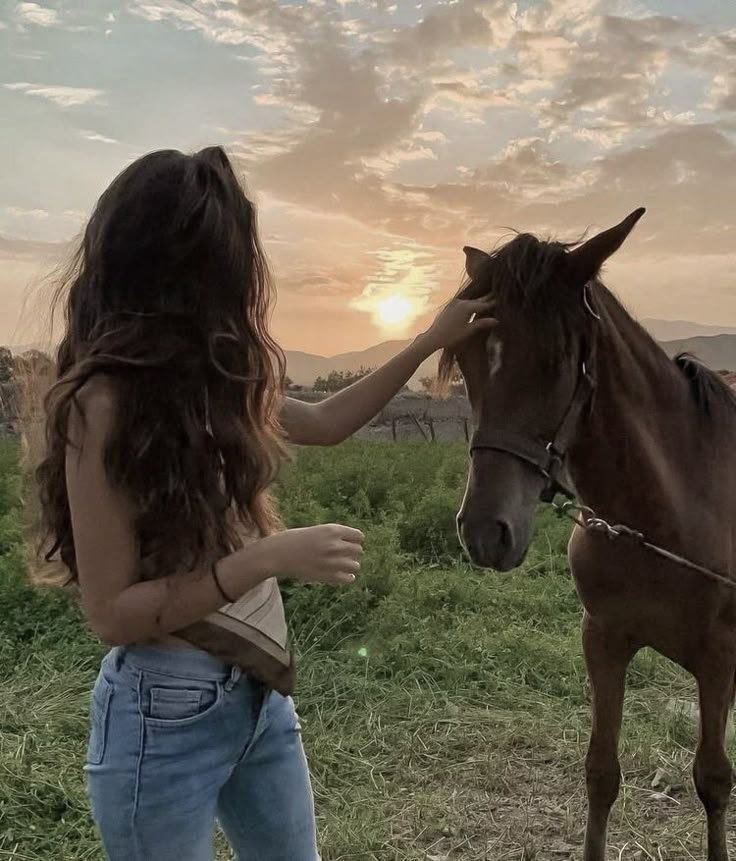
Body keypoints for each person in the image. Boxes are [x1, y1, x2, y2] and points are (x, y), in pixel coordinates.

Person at [32, 145, 495, 861]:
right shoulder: (101, 404)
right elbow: (110, 612)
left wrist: (431, 339)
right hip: (160, 713)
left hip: (259, 700)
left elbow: (329, 421)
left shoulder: (218, 378)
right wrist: (268, 557)